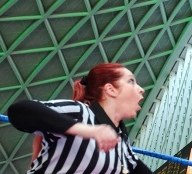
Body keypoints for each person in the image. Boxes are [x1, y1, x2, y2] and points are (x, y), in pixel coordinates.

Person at [7, 63, 152, 174]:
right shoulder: (81, 112)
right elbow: (20, 111)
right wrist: (86, 130)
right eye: (131, 81)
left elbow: (136, 167)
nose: (141, 89)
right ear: (110, 89)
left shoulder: (121, 142)